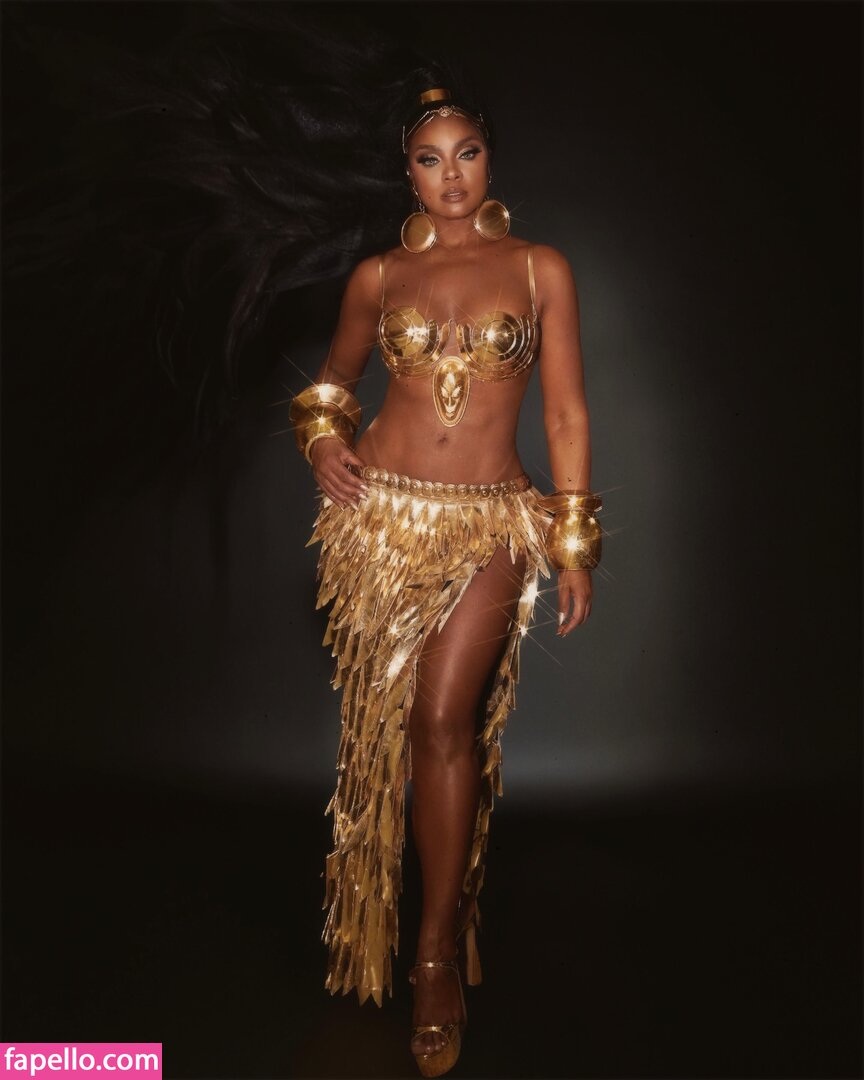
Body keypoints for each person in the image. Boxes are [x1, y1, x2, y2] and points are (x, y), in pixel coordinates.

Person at [290, 83, 603, 1078]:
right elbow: (330, 388)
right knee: (391, 734)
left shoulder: (540, 268)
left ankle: (432, 959)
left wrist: (573, 539)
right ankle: (413, 932)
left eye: (466, 152)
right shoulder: (379, 277)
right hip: (381, 521)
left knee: (441, 718)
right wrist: (321, 444)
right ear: (408, 173)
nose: (451, 175)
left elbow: (564, 414)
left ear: (490, 160)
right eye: (430, 158)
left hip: (489, 523)